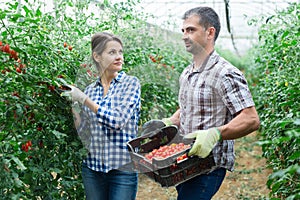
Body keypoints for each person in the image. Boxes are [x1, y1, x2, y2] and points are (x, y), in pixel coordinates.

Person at [143, 6, 260, 200]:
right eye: (183, 31)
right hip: (184, 162)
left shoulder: (225, 73)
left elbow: (251, 119)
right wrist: (170, 122)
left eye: (191, 30)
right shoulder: (188, 72)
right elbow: (189, 107)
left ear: (210, 32)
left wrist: (215, 134)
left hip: (208, 165)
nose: (184, 36)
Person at [62, 32, 141, 200]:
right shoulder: (91, 90)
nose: (119, 57)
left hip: (123, 169)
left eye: (120, 52)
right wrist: (73, 108)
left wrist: (84, 99)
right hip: (93, 168)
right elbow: (85, 131)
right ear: (97, 56)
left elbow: (117, 121)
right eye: (112, 52)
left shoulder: (130, 84)